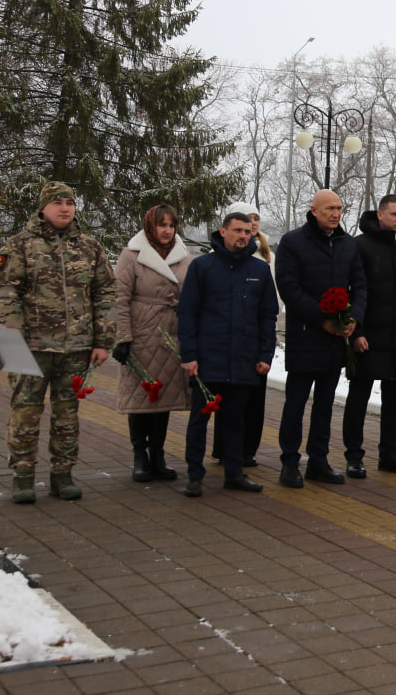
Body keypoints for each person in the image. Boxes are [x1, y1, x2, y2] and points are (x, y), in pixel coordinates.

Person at [0, 181, 116, 503]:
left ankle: (63, 474)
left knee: (67, 415)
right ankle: (23, 475)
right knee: (25, 413)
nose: (65, 208)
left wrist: (103, 340)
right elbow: (5, 291)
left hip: (75, 349)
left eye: (70, 203)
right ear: (43, 207)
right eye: (58, 202)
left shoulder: (89, 247)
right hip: (31, 347)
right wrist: (11, 337)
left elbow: (105, 293)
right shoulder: (20, 245)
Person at [177, 212, 278, 496]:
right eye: (237, 230)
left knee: (236, 420)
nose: (243, 236)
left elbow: (268, 316)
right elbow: (187, 314)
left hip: (244, 360)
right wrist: (189, 354)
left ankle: (234, 472)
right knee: (200, 419)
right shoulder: (202, 267)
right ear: (223, 232)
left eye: (248, 231)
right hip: (209, 359)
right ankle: (194, 475)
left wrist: (265, 355)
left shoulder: (259, 271)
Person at [275, 189, 367, 487]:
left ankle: (319, 460)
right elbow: (289, 288)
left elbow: (360, 285)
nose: (336, 213)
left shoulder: (348, 244)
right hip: (306, 335)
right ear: (313, 210)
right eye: (329, 208)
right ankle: (289, 462)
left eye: (339, 208)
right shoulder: (293, 242)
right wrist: (321, 319)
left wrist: (354, 318)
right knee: (296, 402)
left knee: (325, 403)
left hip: (334, 340)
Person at [342, 195, 396, 477]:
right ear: (379, 215)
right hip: (368, 336)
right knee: (359, 398)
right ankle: (354, 455)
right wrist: (357, 332)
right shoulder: (360, 246)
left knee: (393, 400)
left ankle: (389, 453)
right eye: (394, 214)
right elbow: (352, 290)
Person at [112, 204, 192, 484]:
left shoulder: (184, 257)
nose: (167, 230)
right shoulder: (131, 255)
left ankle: (158, 454)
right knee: (140, 398)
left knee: (163, 399)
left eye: (171, 225)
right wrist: (123, 337)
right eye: (162, 225)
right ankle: (139, 456)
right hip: (142, 334)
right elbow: (120, 298)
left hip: (172, 335)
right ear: (150, 226)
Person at [211, 200, 274, 468]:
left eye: (256, 219)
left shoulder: (264, 256)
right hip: (226, 341)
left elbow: (270, 304)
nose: (253, 225)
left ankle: (248, 449)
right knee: (227, 402)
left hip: (255, 337)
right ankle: (225, 450)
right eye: (248, 220)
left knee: (254, 400)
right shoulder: (217, 260)